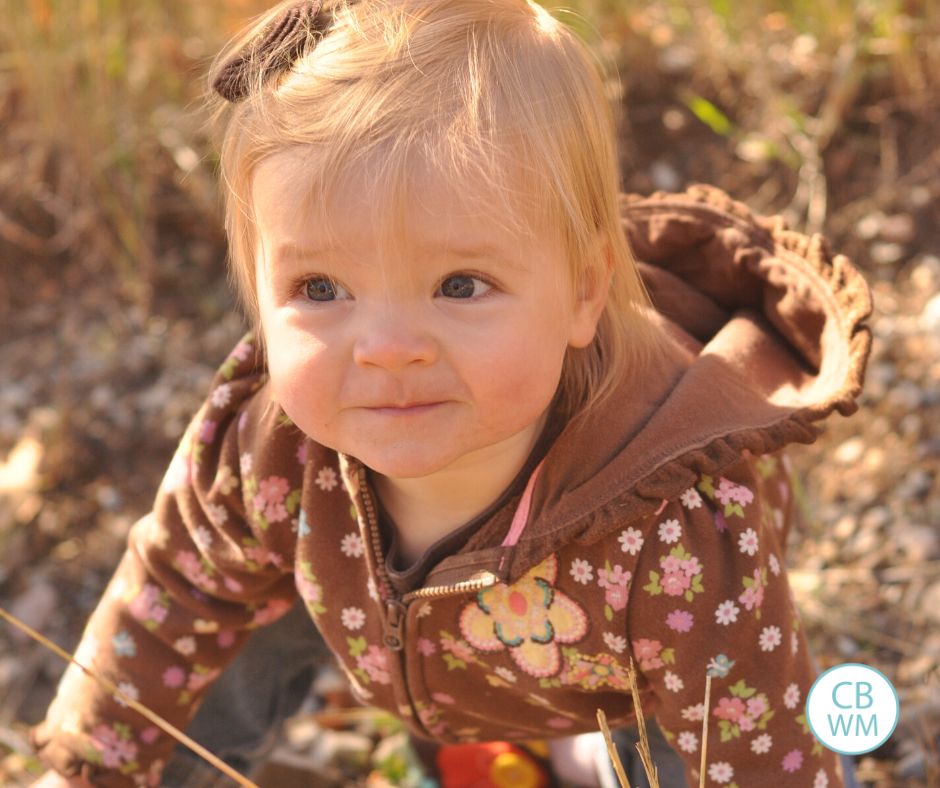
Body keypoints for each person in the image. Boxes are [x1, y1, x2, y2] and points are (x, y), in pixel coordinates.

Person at [30, 0, 872, 785]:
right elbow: (167, 594)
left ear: (583, 295)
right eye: (320, 288)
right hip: (387, 625)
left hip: (624, 656)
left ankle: (569, 748)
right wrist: (82, 764)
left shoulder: (674, 538)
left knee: (665, 745)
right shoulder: (268, 450)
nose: (389, 349)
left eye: (461, 285)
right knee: (213, 635)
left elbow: (765, 758)